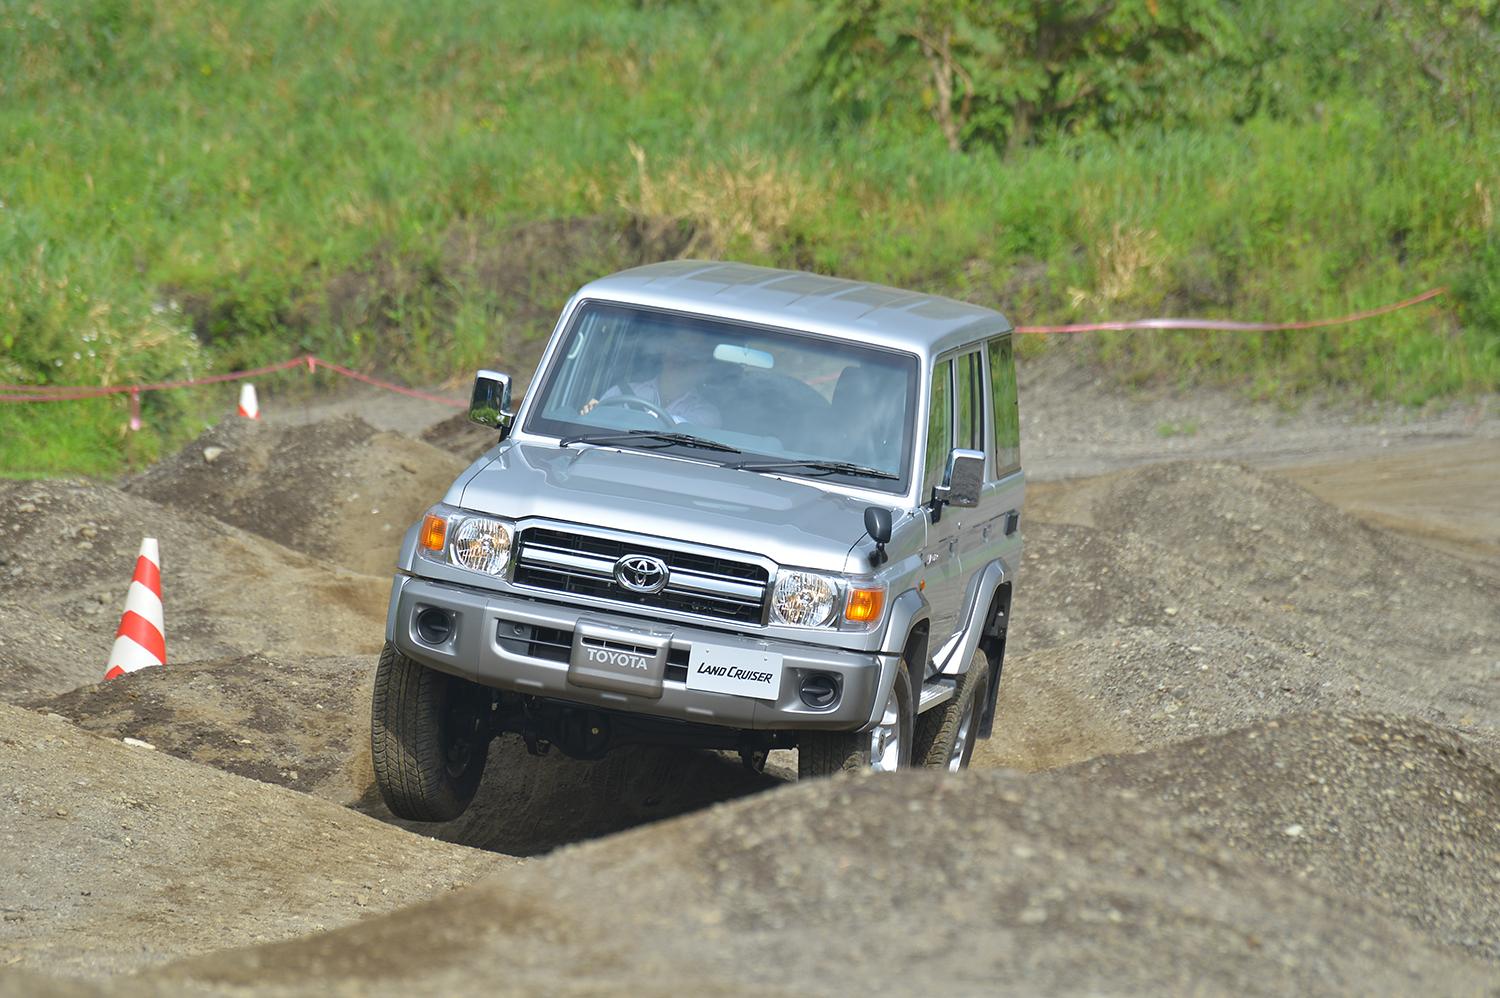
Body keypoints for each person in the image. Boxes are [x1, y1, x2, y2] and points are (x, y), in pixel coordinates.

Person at [580, 321, 722, 427]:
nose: (681, 357)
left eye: (692, 352)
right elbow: (593, 430)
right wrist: (592, 413)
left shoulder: (707, 413)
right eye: (678, 346)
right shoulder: (620, 392)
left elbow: (683, 429)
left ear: (702, 365)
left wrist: (616, 416)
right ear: (665, 351)